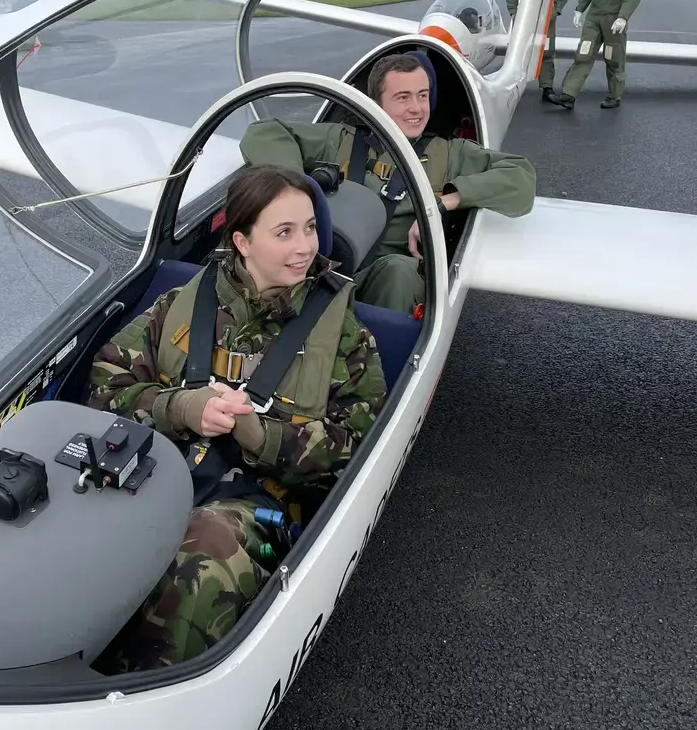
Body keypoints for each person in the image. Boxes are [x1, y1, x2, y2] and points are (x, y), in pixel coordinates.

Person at [87, 165, 388, 672]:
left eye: (311, 228)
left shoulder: (344, 335)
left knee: (207, 544)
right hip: (164, 472)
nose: (305, 247)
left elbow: (358, 447)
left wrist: (260, 434)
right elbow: (105, 380)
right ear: (242, 242)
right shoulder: (183, 304)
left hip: (261, 502)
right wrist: (180, 407)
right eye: (284, 232)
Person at [238, 53, 536, 315]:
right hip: (319, 263)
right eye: (403, 97)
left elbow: (521, 176)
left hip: (386, 279)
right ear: (377, 104)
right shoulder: (339, 139)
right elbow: (263, 133)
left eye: (423, 95)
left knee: (400, 270)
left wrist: (443, 202)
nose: (417, 108)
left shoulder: (451, 153)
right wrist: (296, 191)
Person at [548, 0, 642, 110]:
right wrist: (579, 9)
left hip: (613, 21)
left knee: (613, 59)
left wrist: (623, 17)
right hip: (593, 19)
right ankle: (568, 95)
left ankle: (614, 96)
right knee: (583, 55)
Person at [507, 0, 571, 101]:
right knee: (519, 51)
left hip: (547, 18)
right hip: (525, 17)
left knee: (547, 52)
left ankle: (547, 88)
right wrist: (514, 13)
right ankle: (513, 86)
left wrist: (555, 11)